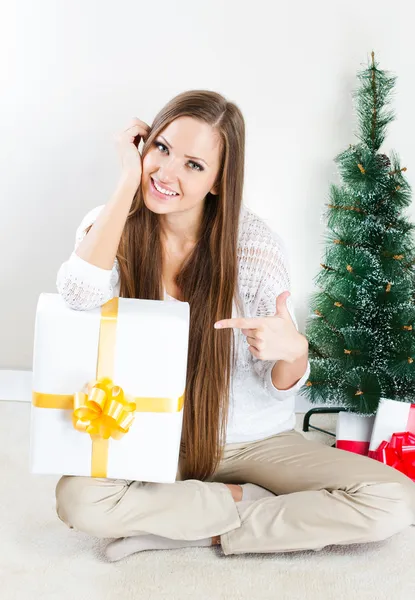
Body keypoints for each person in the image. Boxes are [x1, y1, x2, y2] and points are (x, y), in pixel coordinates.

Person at [55, 90, 415, 562]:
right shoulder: (110, 227)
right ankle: (241, 504)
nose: (166, 174)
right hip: (157, 439)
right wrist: (127, 179)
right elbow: (77, 295)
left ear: (220, 181)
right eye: (160, 149)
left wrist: (294, 351)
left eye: (194, 165)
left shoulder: (256, 249)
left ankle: (201, 529)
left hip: (257, 442)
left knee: (393, 499)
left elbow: (282, 386)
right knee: (78, 499)